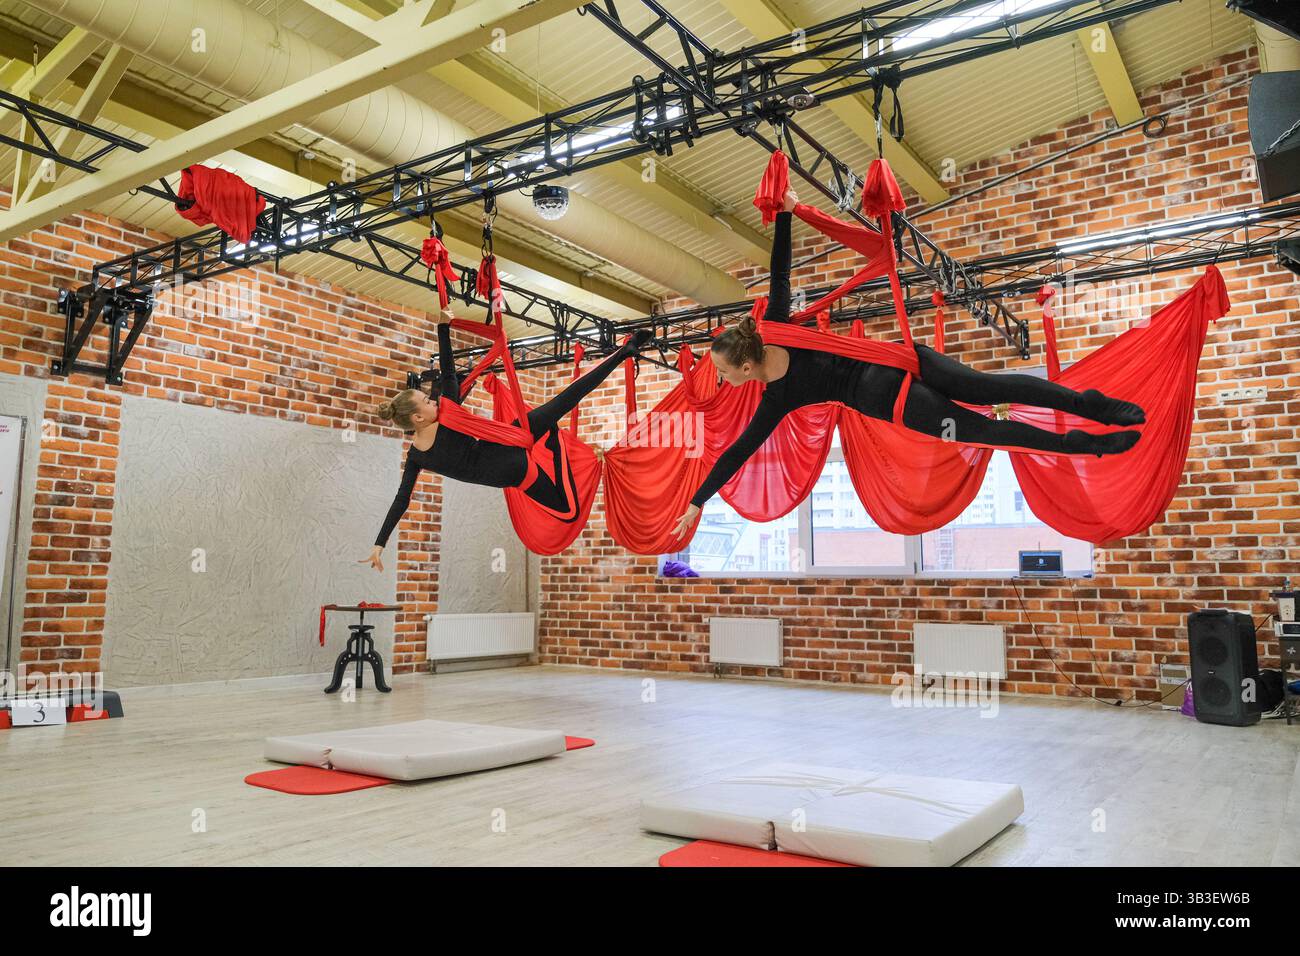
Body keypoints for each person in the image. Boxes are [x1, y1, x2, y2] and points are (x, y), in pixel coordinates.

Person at [671, 188, 1143, 539]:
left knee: (991, 411)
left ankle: (1090, 421)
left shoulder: (777, 366)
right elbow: (738, 452)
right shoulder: (775, 373)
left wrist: (789, 212)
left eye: (723, 372)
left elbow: (780, 269)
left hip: (904, 383)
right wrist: (698, 500)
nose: (722, 379)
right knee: (992, 409)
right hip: (908, 378)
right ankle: (1087, 429)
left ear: (745, 366)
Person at [363, 309, 650, 569]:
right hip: (508, 440)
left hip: (513, 469)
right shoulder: (448, 413)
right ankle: (625, 352)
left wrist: (380, 544)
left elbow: (401, 500)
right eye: (427, 400)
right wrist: (443, 327)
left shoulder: (417, 457)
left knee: (567, 510)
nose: (433, 400)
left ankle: (557, 442)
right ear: (417, 418)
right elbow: (449, 371)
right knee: (566, 398)